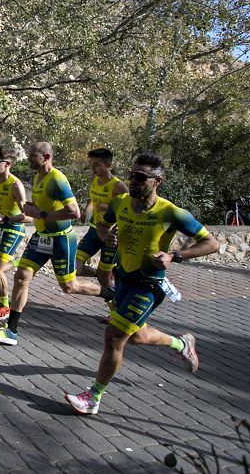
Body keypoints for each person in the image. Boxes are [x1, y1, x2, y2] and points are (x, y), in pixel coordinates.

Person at [64, 153, 220, 415]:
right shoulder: (121, 202)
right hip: (122, 279)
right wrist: (107, 237)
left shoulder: (171, 212)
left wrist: (175, 256)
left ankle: (94, 396)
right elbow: (102, 225)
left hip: (148, 286)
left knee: (114, 338)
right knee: (137, 336)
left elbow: (211, 243)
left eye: (140, 177)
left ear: (157, 181)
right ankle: (182, 344)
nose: (133, 181)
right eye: (131, 175)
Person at [0, 142, 105, 347]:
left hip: (60, 238)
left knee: (69, 286)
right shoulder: (37, 177)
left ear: (46, 157)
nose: (29, 159)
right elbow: (39, 209)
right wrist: (32, 209)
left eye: (33, 156)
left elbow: (74, 212)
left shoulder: (57, 179)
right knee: (21, 276)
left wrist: (41, 214)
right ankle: (11, 331)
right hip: (41, 236)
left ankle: (111, 294)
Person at [75, 148, 129, 318]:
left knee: (105, 281)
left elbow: (130, 211)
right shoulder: (95, 178)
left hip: (110, 235)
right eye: (92, 164)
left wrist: (110, 208)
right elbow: (92, 198)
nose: (93, 168)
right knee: (74, 267)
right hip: (93, 229)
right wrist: (85, 211)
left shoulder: (118, 187)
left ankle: (116, 311)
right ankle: (100, 274)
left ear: (108, 164)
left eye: (97, 165)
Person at [0, 144, 31, 321]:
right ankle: (15, 262)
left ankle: (5, 306)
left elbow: (28, 216)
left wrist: (7, 218)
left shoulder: (15, 185)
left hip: (14, 228)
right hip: (1, 227)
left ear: (7, 163)